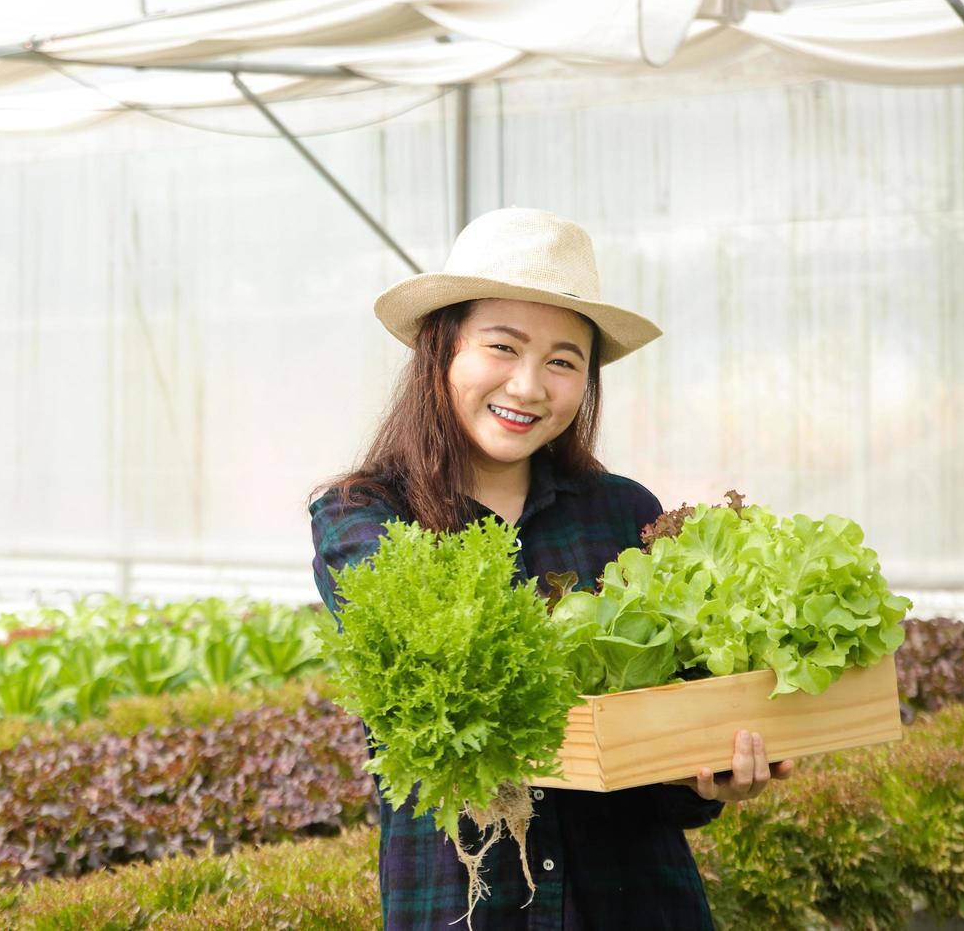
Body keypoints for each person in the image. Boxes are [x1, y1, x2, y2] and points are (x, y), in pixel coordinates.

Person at [307, 208, 793, 930]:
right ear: (440, 350)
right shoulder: (362, 517)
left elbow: (662, 767)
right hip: (465, 907)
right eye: (502, 347)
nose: (530, 386)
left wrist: (708, 775)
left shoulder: (625, 514)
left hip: (634, 906)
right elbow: (454, 684)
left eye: (563, 361)